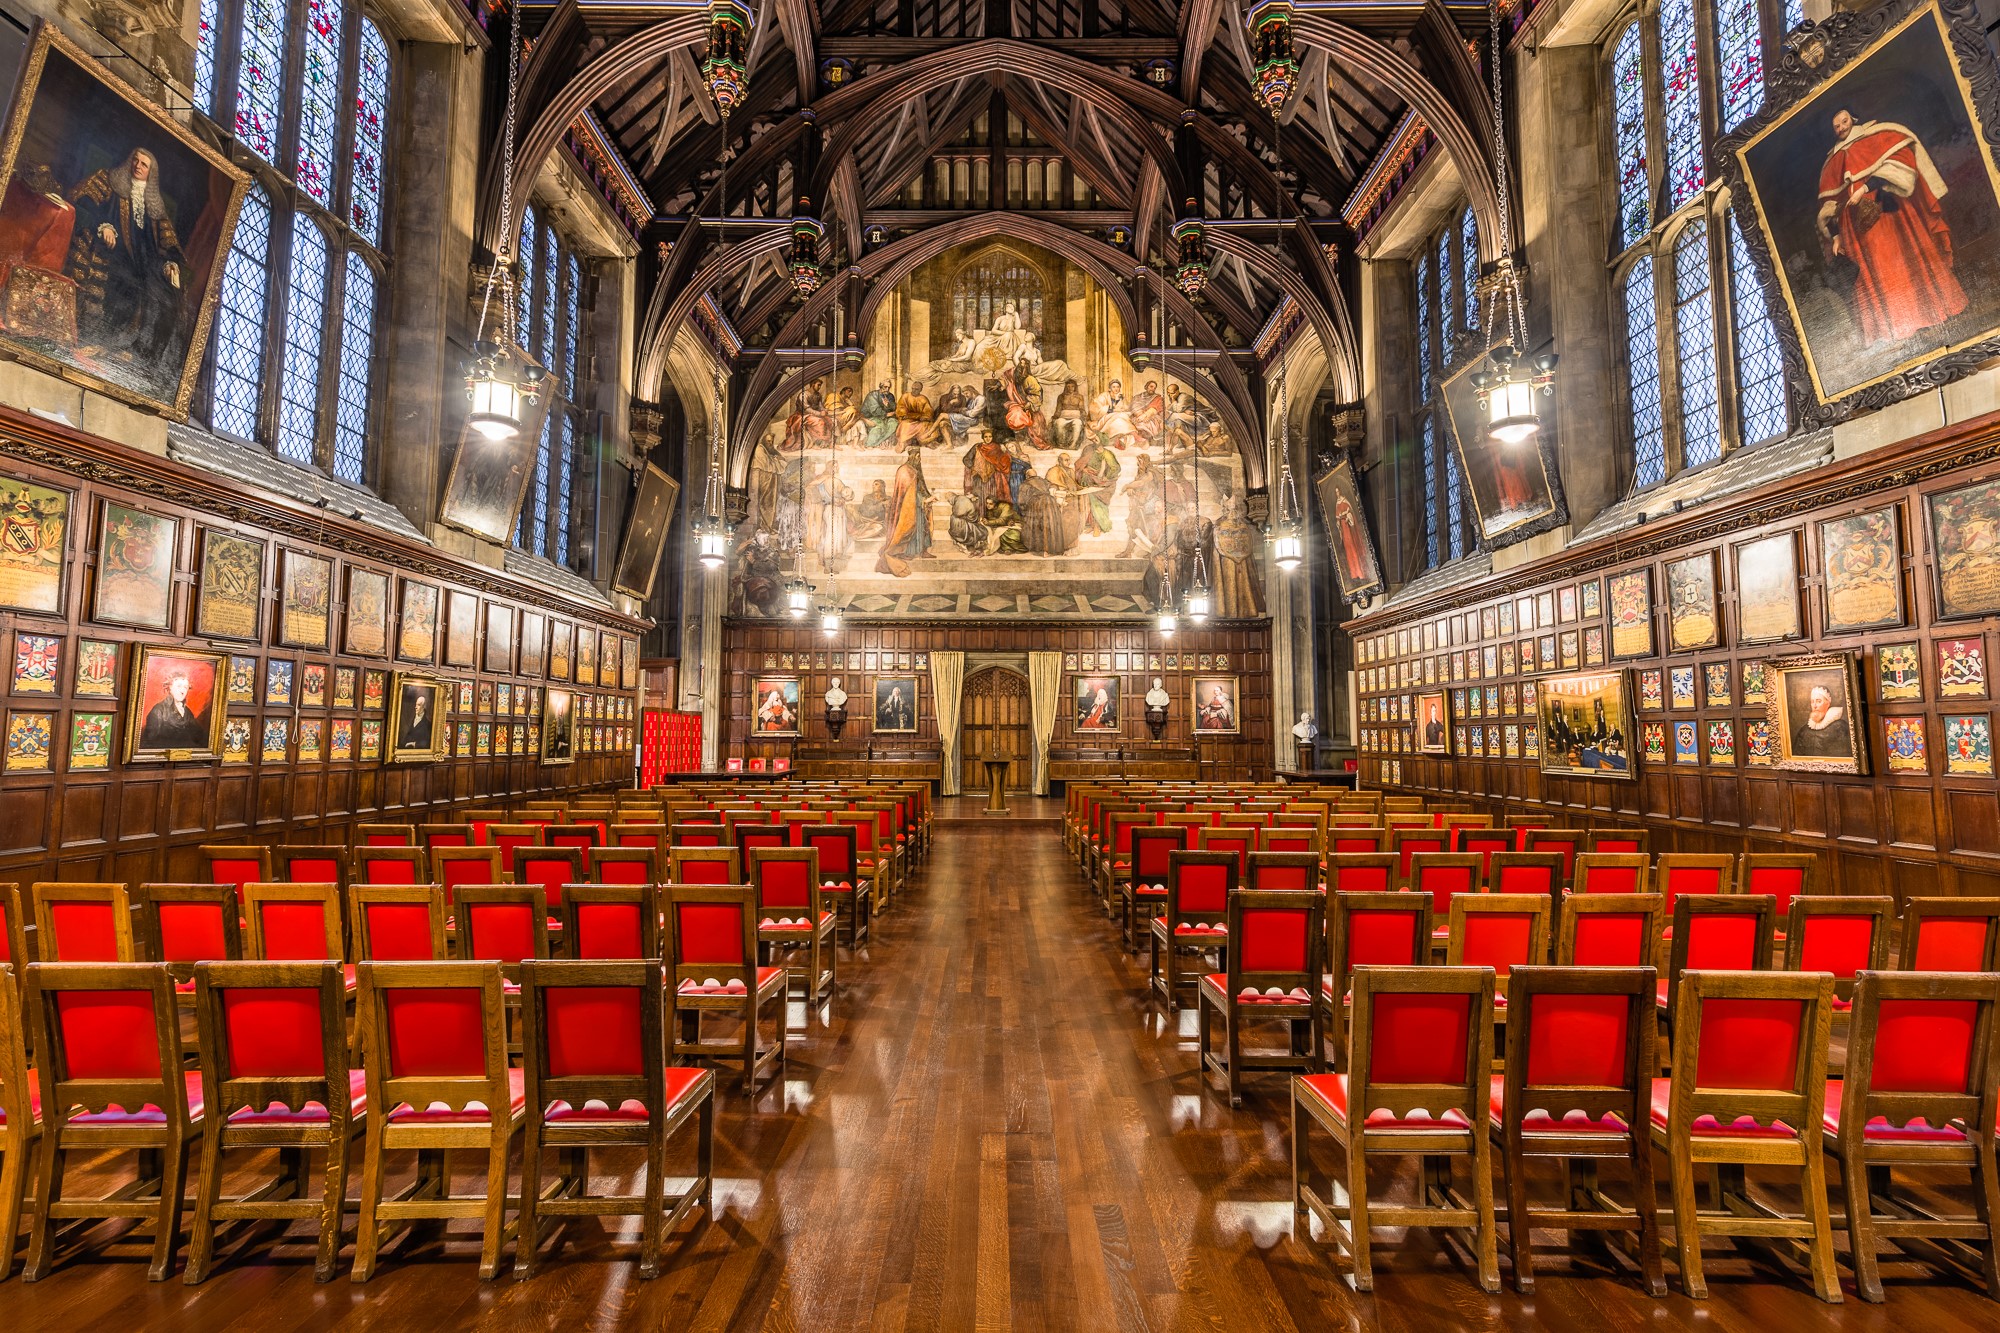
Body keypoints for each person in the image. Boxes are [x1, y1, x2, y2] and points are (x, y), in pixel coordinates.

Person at [1817, 108, 1968, 347]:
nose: (1841, 128)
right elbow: (1831, 205)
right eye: (1836, 125)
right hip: (1858, 229)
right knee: (1876, 271)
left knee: (1906, 261)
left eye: (1844, 121)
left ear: (1853, 120)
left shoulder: (1874, 135)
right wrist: (1835, 236)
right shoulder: (1832, 161)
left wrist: (1865, 189)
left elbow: (1900, 168)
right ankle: (1896, 330)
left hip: (1889, 215)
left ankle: (1931, 315)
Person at [65, 148, 188, 365]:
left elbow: (167, 240)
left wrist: (171, 263)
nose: (138, 166)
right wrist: (103, 227)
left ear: (151, 173)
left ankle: (141, 353)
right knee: (124, 285)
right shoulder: (108, 181)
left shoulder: (155, 203)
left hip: (146, 264)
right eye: (136, 161)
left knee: (167, 298)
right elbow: (82, 202)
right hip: (113, 254)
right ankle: (101, 342)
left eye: (144, 164)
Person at [876, 442, 933, 576]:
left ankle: (922, 551)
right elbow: (908, 494)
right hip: (907, 507)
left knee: (922, 527)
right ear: (914, 456)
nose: (919, 459)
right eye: (918, 456)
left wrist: (927, 498)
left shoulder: (914, 470)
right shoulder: (905, 470)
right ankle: (909, 552)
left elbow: (920, 488)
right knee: (911, 528)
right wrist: (924, 499)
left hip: (917, 506)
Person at [140, 668, 211, 750]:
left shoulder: (187, 712)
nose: (182, 691)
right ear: (169, 687)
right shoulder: (159, 711)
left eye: (185, 687)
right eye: (179, 686)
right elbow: (149, 743)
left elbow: (200, 737)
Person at [1791, 682, 1850, 758]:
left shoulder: (1840, 727)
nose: (1815, 706)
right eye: (1812, 702)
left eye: (1819, 701)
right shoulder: (1804, 730)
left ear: (1828, 703)